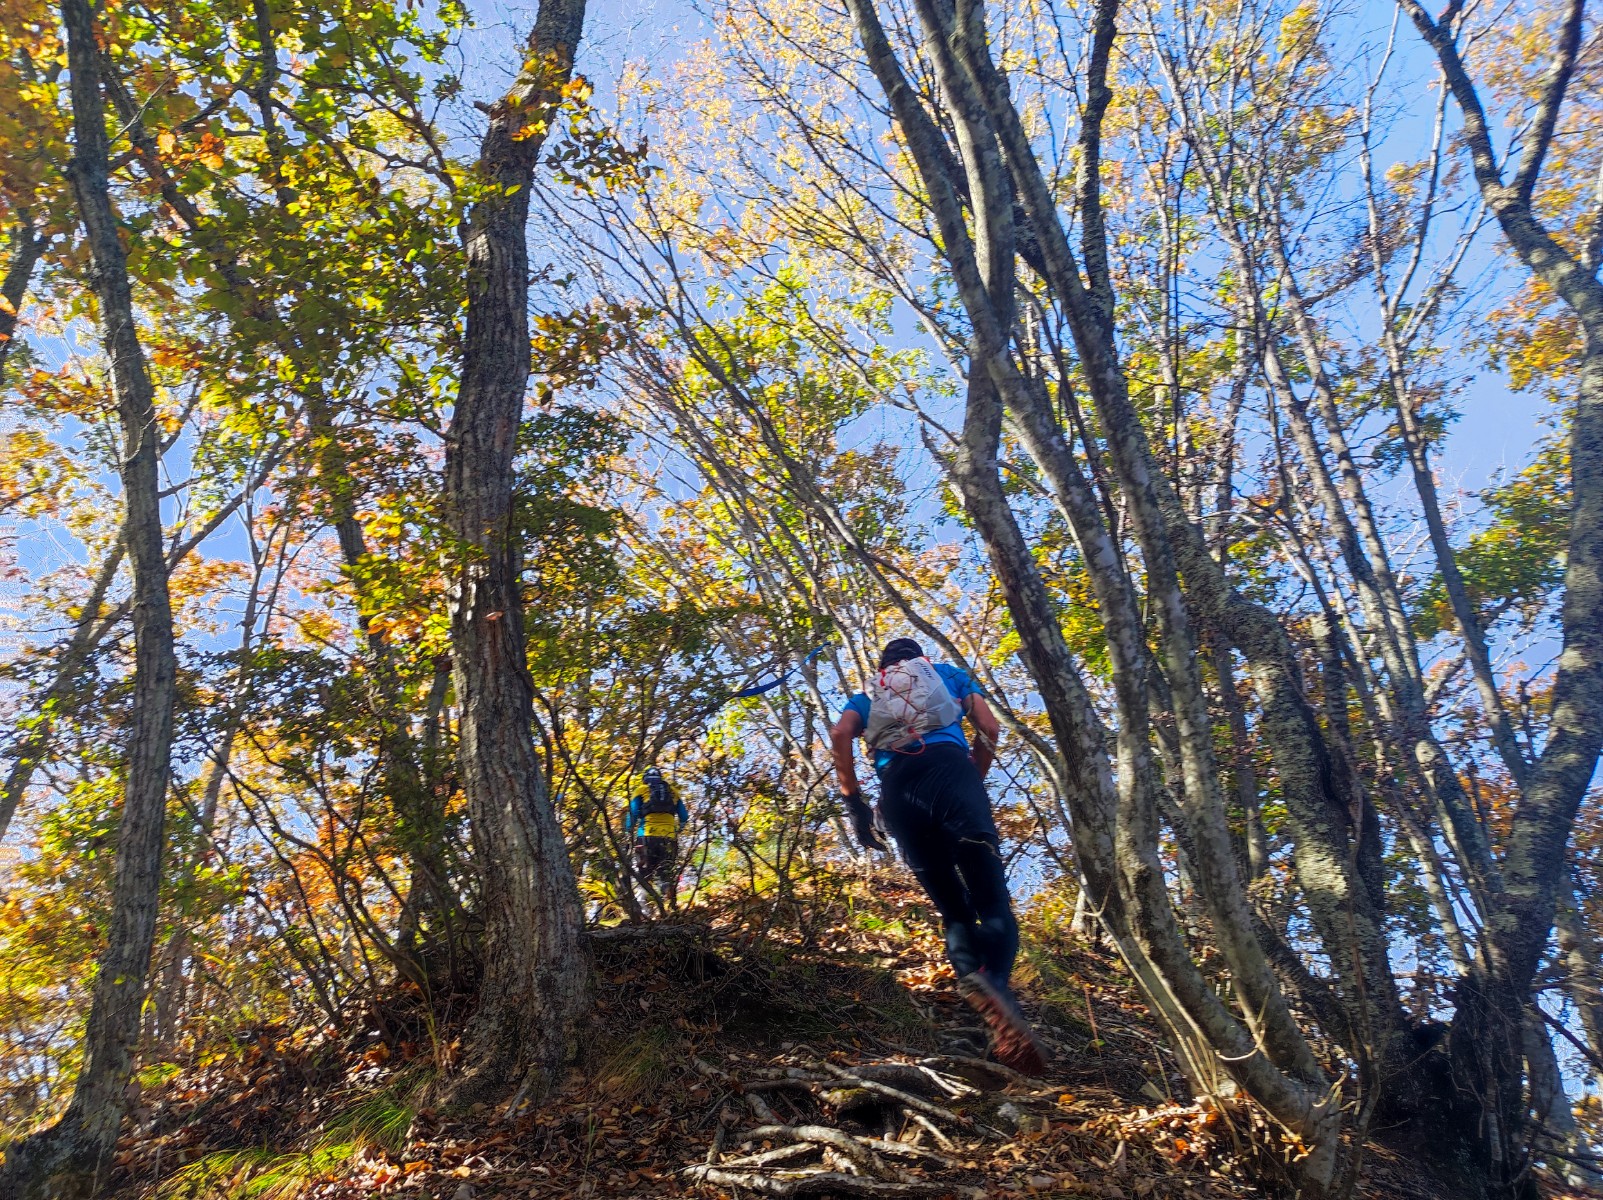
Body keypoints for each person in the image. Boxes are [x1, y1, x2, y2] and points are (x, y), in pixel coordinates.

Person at [829, 637, 1048, 1076]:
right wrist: (974, 775)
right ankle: (996, 989)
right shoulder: (947, 675)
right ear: (920, 660)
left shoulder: (870, 694)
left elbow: (840, 735)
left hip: (899, 793)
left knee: (954, 910)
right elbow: (990, 728)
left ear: (884, 666)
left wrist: (854, 803)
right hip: (953, 775)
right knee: (992, 902)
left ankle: (981, 1000)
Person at [626, 766, 689, 901]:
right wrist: (678, 829)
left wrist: (629, 830)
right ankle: (668, 907)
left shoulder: (641, 790)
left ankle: (642, 911)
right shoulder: (673, 792)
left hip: (646, 837)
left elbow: (632, 814)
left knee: (642, 874)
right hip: (669, 838)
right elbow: (684, 816)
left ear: (645, 779)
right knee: (665, 875)